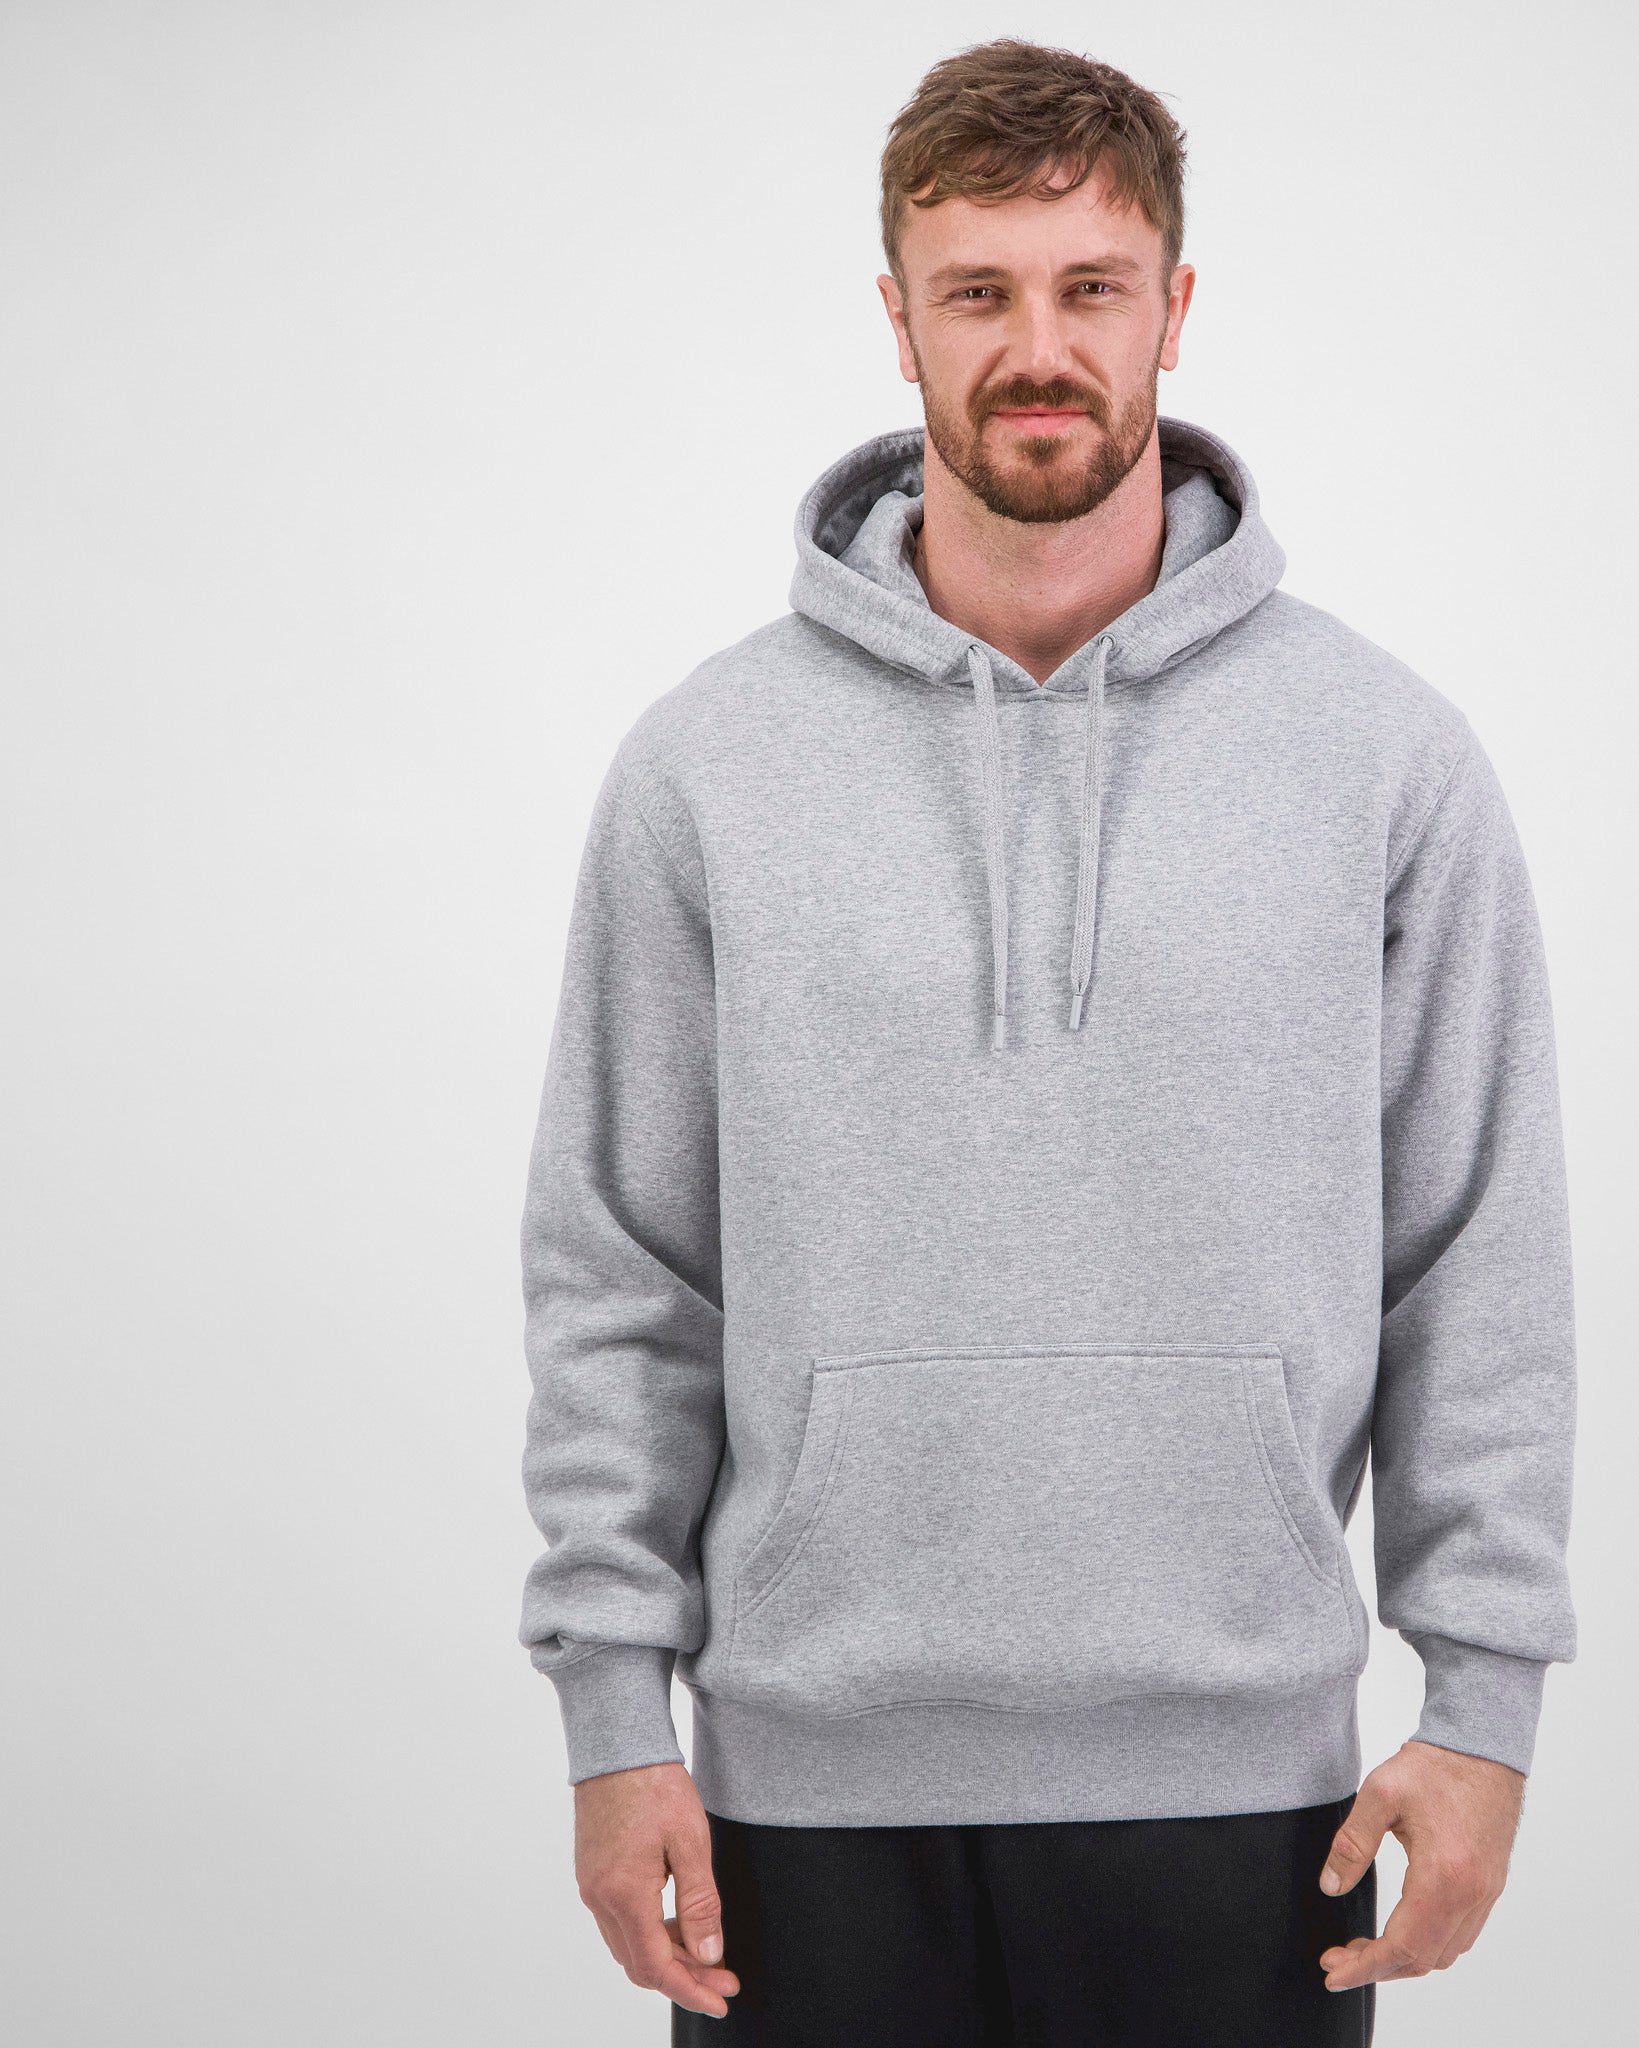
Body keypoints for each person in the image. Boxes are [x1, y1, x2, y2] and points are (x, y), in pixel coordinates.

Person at [518, 37, 1577, 2047]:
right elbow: (624, 1269)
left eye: (1091, 287)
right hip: (798, 1800)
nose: (1036, 349)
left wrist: (1484, 1703)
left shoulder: (1382, 760)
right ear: (897, 316)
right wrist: (610, 1715)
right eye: (978, 291)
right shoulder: (707, 767)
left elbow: (1476, 1256)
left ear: (1173, 307)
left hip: (1253, 1793)